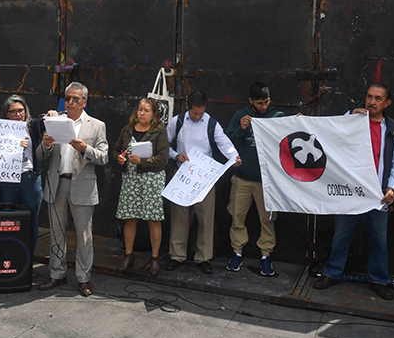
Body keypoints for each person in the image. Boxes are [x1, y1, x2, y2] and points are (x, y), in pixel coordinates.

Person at [313, 84, 394, 300]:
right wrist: (349, 115)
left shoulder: (393, 131)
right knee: (341, 236)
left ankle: (379, 280)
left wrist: (392, 188)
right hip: (350, 192)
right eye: (369, 97)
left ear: (387, 103)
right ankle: (331, 272)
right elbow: (332, 131)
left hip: (377, 194)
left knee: (379, 241)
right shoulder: (353, 120)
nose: (372, 102)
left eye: (378, 98)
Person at [37, 82, 108, 296]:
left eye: (75, 99)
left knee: (84, 235)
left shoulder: (96, 125)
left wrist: (85, 148)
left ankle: (83, 277)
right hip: (57, 182)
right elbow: (41, 156)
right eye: (67, 98)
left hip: (82, 185)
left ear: (84, 102)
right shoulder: (55, 120)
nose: (70, 103)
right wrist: (46, 144)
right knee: (57, 232)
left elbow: (104, 157)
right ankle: (56, 274)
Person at [166, 91, 240, 274]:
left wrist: (234, 156)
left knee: (206, 217)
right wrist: (175, 155)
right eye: (194, 113)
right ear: (188, 107)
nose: (198, 116)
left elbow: (224, 143)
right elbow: (163, 145)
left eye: (201, 113)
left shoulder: (211, 123)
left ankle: (203, 257)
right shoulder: (178, 121)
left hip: (204, 176)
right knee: (179, 216)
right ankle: (177, 255)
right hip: (182, 174)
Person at [225, 82, 286, 277]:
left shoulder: (276, 116)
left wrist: (298, 123)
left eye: (266, 102)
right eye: (259, 103)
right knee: (236, 216)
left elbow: (289, 137)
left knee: (268, 219)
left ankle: (266, 255)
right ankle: (237, 252)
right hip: (242, 178)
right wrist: (242, 129)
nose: (264, 106)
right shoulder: (239, 116)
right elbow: (226, 142)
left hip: (266, 181)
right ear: (250, 101)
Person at [114, 98, 170, 277]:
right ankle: (128, 255)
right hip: (131, 180)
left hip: (151, 180)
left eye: (146, 110)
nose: (142, 113)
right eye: (140, 109)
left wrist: (143, 161)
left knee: (153, 219)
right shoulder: (127, 129)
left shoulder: (159, 132)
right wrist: (119, 158)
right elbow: (116, 150)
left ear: (154, 114)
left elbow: (163, 158)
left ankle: (154, 258)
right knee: (130, 218)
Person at [0, 95, 53, 255]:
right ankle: (10, 257)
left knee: (31, 221)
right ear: (7, 114)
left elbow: (44, 121)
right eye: (13, 111)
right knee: (9, 221)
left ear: (25, 110)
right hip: (7, 179)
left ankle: (27, 258)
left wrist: (50, 114)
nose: (17, 114)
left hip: (29, 178)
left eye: (20, 110)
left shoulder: (33, 126)